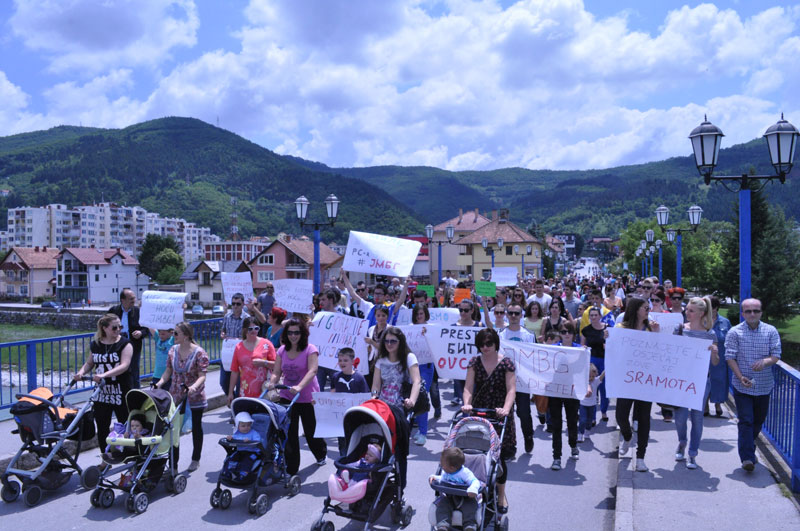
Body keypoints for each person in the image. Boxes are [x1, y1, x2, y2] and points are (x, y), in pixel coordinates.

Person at [462, 328, 515, 514]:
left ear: (495, 344)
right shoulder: (474, 362)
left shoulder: (506, 363)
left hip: (499, 413)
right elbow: (468, 387)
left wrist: (506, 409)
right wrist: (466, 404)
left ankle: (501, 495)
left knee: (499, 458)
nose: (485, 348)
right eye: (482, 344)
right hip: (479, 411)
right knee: (475, 452)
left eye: (489, 344)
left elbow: (511, 389)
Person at [725, 298, 781, 472]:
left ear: (761, 312)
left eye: (755, 311)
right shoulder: (735, 332)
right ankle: (747, 458)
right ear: (743, 313)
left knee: (758, 422)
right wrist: (740, 376)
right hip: (742, 386)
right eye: (748, 311)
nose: (752, 314)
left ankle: (749, 446)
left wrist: (765, 361)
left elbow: (776, 355)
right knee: (746, 421)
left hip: (764, 385)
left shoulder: (770, 331)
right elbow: (730, 357)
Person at [267, 318, 328, 473]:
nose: (293, 336)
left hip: (307, 396)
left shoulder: (310, 349)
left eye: (297, 332)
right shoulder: (282, 350)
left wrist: (300, 386)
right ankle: (292, 468)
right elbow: (276, 371)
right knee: (289, 433)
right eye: (290, 333)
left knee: (311, 431)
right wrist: (272, 382)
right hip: (288, 396)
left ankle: (321, 454)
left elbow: (313, 370)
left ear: (303, 333)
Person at [74, 313, 134, 454]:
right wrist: (81, 372)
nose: (118, 329)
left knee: (125, 424)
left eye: (120, 326)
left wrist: (104, 375)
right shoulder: (96, 344)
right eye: (114, 327)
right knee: (102, 426)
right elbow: (90, 362)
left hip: (120, 391)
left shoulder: (125, 344)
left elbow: (124, 365)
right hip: (102, 394)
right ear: (104, 328)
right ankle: (105, 457)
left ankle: (130, 455)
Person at [155, 321, 209, 472]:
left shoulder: (199, 353)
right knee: (174, 429)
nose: (174, 335)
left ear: (186, 336)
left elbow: (202, 375)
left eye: (176, 333)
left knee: (196, 427)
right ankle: (174, 465)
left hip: (194, 395)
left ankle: (195, 458)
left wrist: (193, 387)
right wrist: (159, 383)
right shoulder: (172, 350)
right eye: (173, 332)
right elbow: (167, 371)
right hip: (176, 395)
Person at [672, 296, 719, 469]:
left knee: (697, 418)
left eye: (691, 311)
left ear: (701, 313)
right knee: (680, 417)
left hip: (700, 380)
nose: (687, 312)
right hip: (681, 380)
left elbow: (715, 363)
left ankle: (693, 453)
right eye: (687, 310)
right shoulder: (680, 329)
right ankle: (682, 442)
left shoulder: (709, 334)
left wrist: (714, 352)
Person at [615, 298, 660, 472]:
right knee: (621, 416)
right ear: (635, 309)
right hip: (626, 380)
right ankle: (627, 436)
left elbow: (658, 353)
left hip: (645, 381)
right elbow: (614, 351)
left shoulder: (651, 328)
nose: (648, 309)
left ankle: (641, 457)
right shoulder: (621, 329)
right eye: (644, 307)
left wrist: (656, 334)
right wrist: (608, 338)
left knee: (643, 419)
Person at [497, 302, 536, 454]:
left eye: (516, 313)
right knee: (505, 413)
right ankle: (509, 446)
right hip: (504, 381)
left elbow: (534, 357)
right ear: (507, 315)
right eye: (511, 313)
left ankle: (528, 435)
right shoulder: (500, 335)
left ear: (521, 316)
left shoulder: (528, 335)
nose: (513, 316)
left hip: (522, 382)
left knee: (524, 413)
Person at [429, 447, 480, 531]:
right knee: (442, 506)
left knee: (470, 507)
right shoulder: (446, 472)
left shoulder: (464, 473)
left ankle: (469, 526)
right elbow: (442, 478)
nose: (441, 465)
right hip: (449, 497)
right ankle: (443, 525)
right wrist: (434, 477)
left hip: (465, 498)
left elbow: (475, 481)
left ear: (452, 468)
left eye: (442, 463)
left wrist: (473, 489)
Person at [228, 316, 276, 402]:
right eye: (250, 329)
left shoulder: (266, 344)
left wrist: (263, 362)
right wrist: (230, 392)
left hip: (264, 392)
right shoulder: (239, 347)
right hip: (245, 393)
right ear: (245, 330)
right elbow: (234, 371)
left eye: (256, 328)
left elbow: (277, 366)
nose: (254, 331)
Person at [332, 347, 370, 455]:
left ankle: (355, 462)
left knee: (355, 441)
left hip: (356, 417)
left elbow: (365, 397)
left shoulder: (359, 378)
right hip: (341, 418)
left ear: (353, 361)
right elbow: (331, 396)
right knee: (342, 443)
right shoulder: (335, 377)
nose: (342, 363)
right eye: (340, 360)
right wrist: (319, 403)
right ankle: (343, 463)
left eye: (345, 360)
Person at [108, 288, 149, 388]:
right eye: (131, 298)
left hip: (134, 347)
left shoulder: (138, 311)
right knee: (118, 372)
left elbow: (146, 329)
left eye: (134, 298)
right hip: (116, 347)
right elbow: (104, 325)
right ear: (123, 300)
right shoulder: (114, 311)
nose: (133, 300)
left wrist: (141, 333)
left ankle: (136, 397)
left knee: (134, 373)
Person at [411, 304, 435, 445]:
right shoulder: (410, 327)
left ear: (426, 314)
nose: (419, 316)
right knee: (414, 397)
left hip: (426, 367)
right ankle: (420, 430)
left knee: (422, 396)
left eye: (421, 313)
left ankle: (423, 433)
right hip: (413, 367)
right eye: (417, 314)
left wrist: (429, 334)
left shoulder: (431, 328)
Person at [581, 306, 610, 422]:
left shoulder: (608, 328)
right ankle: (592, 417)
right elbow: (582, 346)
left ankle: (604, 411)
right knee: (592, 388)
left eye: (595, 315)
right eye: (591, 315)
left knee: (604, 388)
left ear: (600, 316)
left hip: (605, 360)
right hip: (592, 360)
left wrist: (608, 346)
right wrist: (583, 347)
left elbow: (614, 343)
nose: (593, 317)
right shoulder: (586, 330)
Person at [220, 293, 250, 404]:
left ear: (243, 304)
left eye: (238, 304)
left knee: (238, 383)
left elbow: (249, 336)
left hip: (240, 355)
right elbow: (223, 330)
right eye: (233, 304)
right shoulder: (227, 316)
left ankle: (236, 407)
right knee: (223, 382)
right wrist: (223, 334)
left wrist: (238, 339)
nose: (235, 306)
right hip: (228, 354)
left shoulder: (247, 318)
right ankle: (231, 399)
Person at [708, 296, 731, 417]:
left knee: (719, 381)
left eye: (710, 306)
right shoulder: (701, 321)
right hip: (704, 356)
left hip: (720, 355)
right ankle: (704, 404)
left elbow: (731, 339)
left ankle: (717, 404)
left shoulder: (725, 322)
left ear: (716, 307)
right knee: (705, 381)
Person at [578, 364, 604, 442]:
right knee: (582, 420)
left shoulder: (595, 381)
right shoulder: (582, 381)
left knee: (590, 420)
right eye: (589, 376)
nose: (591, 378)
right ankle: (580, 434)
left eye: (593, 376)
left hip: (592, 405)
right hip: (583, 405)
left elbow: (602, 376)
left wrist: (607, 369)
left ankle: (587, 431)